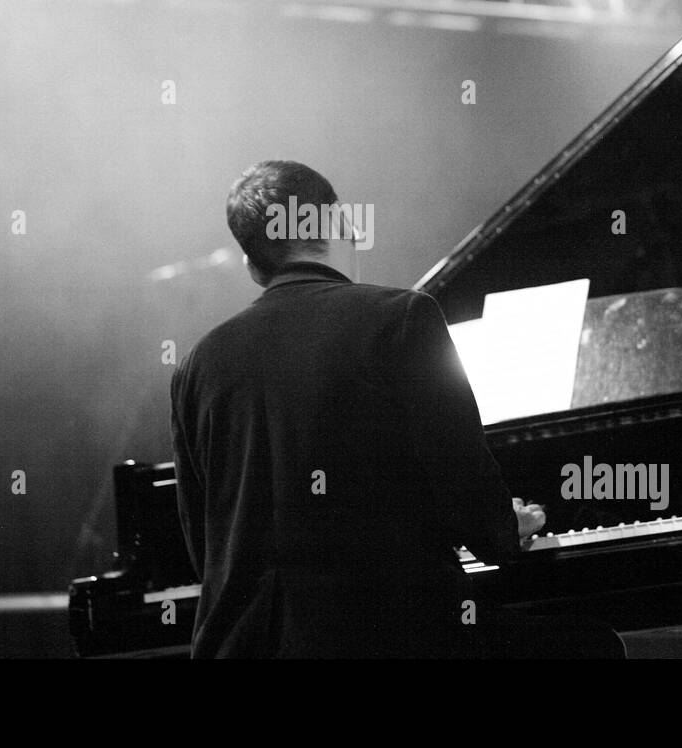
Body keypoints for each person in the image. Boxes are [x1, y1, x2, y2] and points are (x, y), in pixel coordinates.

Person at [169, 160, 621, 658]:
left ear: (252, 266)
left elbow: (203, 548)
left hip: (238, 646)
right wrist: (503, 527)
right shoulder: (402, 318)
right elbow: (462, 481)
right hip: (391, 637)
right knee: (592, 645)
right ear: (340, 225)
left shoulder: (196, 365)